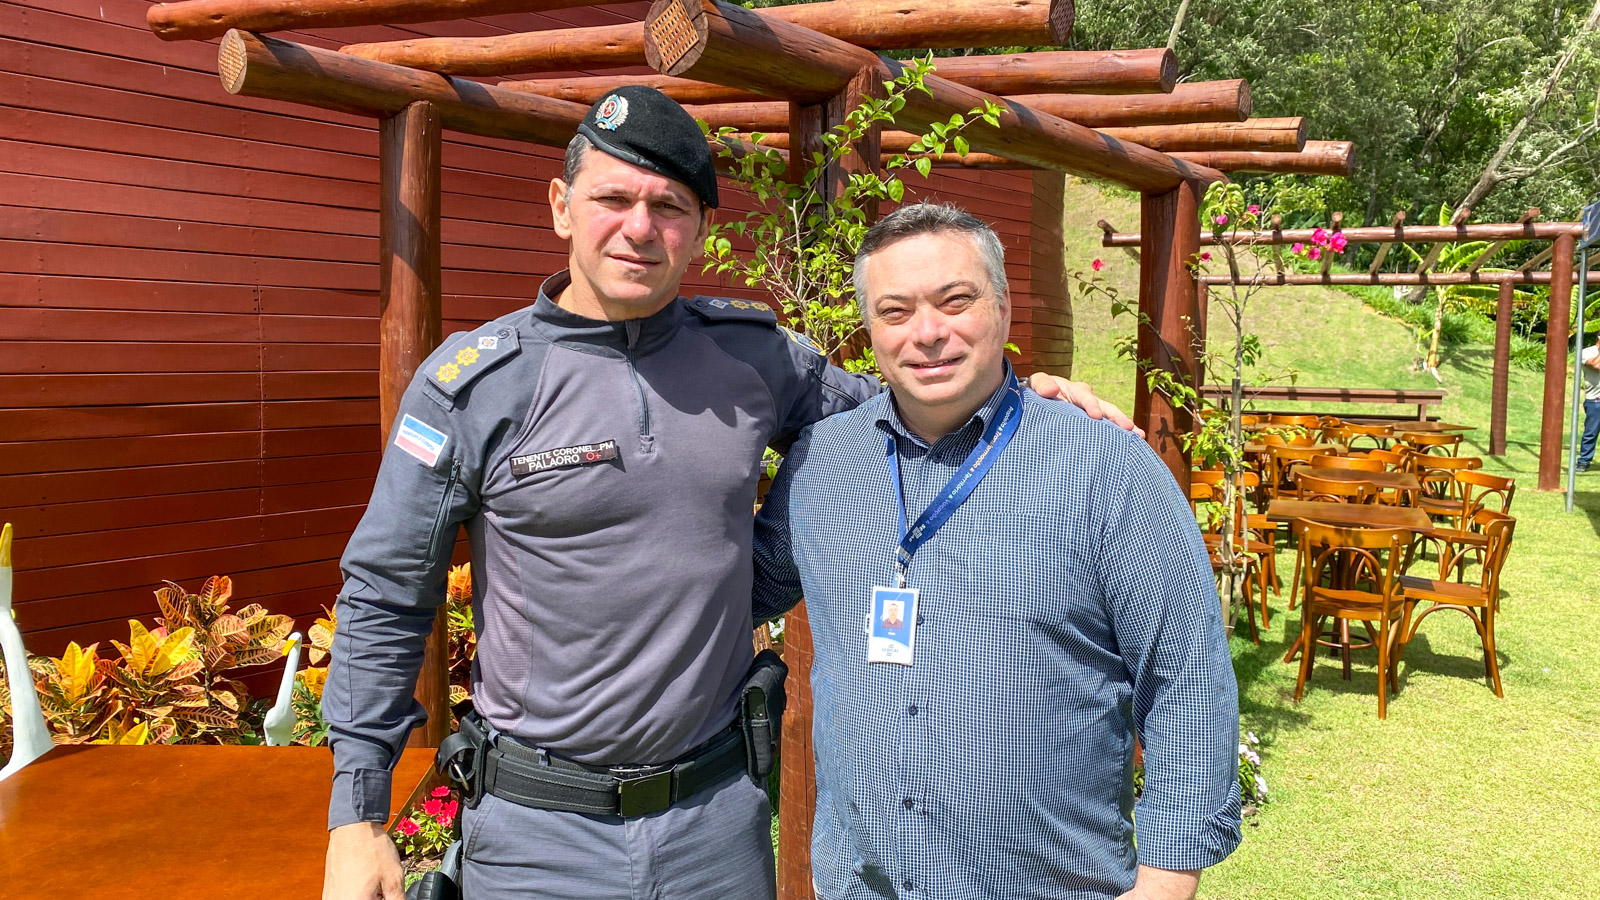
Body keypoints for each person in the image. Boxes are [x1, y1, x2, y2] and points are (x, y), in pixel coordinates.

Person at [321, 88, 1134, 900]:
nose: (640, 227)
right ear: (562, 207)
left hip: (716, 826)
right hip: (539, 834)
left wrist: (1027, 399)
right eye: (614, 199)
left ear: (699, 231)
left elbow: (906, 414)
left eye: (669, 206)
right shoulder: (474, 387)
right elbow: (388, 591)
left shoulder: (755, 359)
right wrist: (356, 818)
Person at [753, 202, 1242, 900]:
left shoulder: (1106, 470)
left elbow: (1186, 677)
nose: (927, 333)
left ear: (1005, 307)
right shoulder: (822, 465)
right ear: (870, 329)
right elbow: (733, 588)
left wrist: (1165, 882)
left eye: (956, 301)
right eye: (895, 311)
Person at [1578, 333, 1599, 473]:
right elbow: (1597, 365)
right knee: (1590, 433)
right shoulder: (1586, 352)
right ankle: (1584, 461)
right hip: (1596, 401)